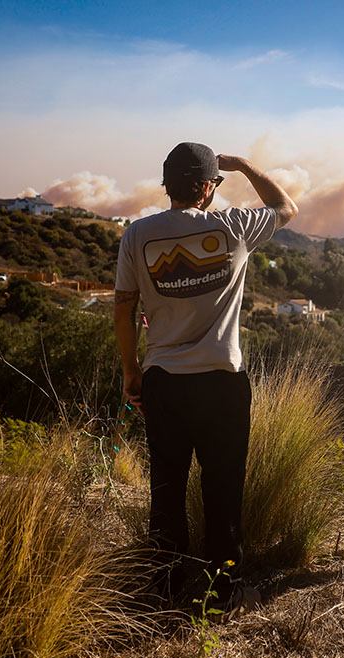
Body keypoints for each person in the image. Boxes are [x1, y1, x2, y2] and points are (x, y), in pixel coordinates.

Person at [114, 142, 298, 611]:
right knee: (223, 491)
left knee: (167, 489)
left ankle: (166, 585)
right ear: (207, 187)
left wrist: (131, 372)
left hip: (164, 381)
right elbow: (285, 207)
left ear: (167, 184)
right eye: (214, 181)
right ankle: (222, 595)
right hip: (222, 382)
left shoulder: (137, 234)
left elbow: (123, 306)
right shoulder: (233, 225)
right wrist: (242, 166)